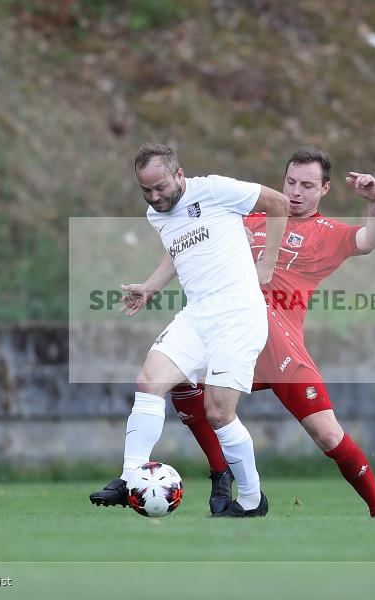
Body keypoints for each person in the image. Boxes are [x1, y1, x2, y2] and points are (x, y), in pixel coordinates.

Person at [170, 148, 375, 517]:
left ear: (324, 189)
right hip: (235, 334)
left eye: (307, 185)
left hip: (280, 346)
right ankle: (220, 472)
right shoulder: (254, 218)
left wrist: (374, 201)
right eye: (291, 182)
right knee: (180, 378)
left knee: (327, 434)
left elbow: (373, 240)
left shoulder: (328, 233)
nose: (296, 191)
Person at [89, 142, 289, 518]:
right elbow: (178, 250)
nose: (154, 197)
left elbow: (278, 203)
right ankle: (131, 476)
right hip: (198, 314)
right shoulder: (157, 214)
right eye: (146, 190)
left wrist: (268, 262)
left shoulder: (214, 189)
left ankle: (251, 500)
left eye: (160, 187)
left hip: (238, 313)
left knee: (218, 413)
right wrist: (150, 287)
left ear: (179, 175)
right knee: (149, 381)